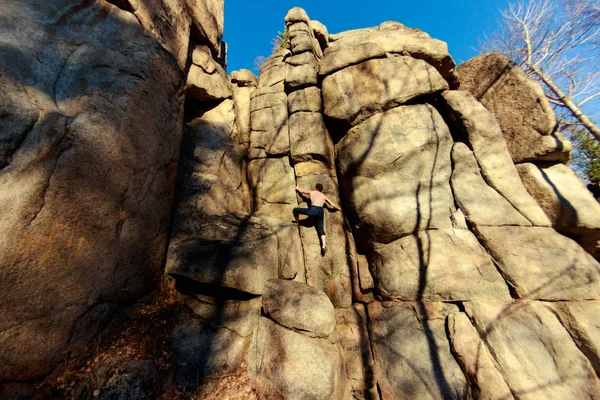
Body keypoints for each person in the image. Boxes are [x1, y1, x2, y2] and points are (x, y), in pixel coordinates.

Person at [293, 183, 341, 256]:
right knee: (321, 229)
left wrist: (297, 188)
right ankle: (324, 245)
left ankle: (297, 222)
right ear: (321, 190)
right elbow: (332, 205)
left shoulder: (312, 192)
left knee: (295, 210)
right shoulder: (323, 196)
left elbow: (302, 192)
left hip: (313, 210)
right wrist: (339, 209)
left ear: (316, 188)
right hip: (320, 211)